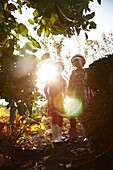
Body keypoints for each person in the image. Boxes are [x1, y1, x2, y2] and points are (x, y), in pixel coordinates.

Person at [67, 54, 94, 140]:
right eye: (73, 61)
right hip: (76, 95)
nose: (75, 62)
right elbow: (70, 84)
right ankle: (76, 134)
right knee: (76, 115)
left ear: (82, 61)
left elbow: (91, 83)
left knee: (87, 114)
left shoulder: (88, 71)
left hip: (86, 94)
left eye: (77, 60)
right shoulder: (73, 73)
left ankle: (89, 134)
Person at [44, 62, 66, 142]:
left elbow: (64, 90)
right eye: (56, 67)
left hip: (60, 100)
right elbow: (45, 89)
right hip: (52, 99)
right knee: (55, 116)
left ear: (62, 69)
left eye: (59, 68)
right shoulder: (50, 78)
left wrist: (66, 98)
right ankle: (55, 138)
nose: (58, 69)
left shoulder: (63, 80)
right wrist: (48, 97)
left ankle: (60, 136)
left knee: (61, 117)